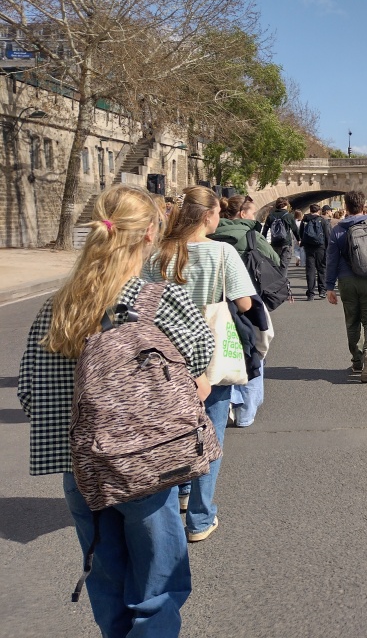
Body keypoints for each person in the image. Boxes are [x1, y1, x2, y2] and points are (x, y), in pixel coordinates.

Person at [17, 185, 214, 635]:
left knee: (106, 580)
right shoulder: (163, 302)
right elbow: (200, 374)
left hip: (81, 468)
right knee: (157, 586)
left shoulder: (57, 307)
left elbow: (30, 392)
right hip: (145, 465)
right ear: (150, 233)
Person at [145, 185, 257, 543]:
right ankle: (199, 517)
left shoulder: (158, 254)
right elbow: (243, 303)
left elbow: (143, 303)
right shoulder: (222, 252)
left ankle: (178, 491)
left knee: (174, 427)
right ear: (209, 215)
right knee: (211, 432)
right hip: (209, 354)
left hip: (165, 355)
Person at [213, 196, 279, 428]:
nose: (253, 217)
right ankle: (245, 412)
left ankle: (228, 402)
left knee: (223, 350)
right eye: (251, 213)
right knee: (253, 352)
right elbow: (274, 259)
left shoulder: (211, 234)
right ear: (242, 214)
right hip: (247, 300)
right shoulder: (250, 235)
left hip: (215, 304)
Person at [325, 189, 367, 382]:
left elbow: (331, 259)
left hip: (347, 281)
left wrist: (329, 286)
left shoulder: (337, 229)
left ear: (346, 206)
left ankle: (357, 360)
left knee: (352, 321)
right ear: (364, 206)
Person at [262, 197, 300, 276]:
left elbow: (265, 230)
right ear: (286, 205)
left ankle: (276, 281)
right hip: (286, 243)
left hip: (274, 243)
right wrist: (299, 239)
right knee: (284, 265)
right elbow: (295, 229)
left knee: (276, 263)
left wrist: (263, 240)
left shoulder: (271, 216)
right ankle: (283, 283)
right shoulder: (288, 216)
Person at [300, 203, 328, 300]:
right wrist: (328, 247)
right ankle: (322, 291)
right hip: (321, 247)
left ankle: (311, 293)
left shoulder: (305, 220)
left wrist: (303, 243)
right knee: (321, 269)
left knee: (310, 270)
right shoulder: (322, 220)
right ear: (319, 210)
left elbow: (301, 233)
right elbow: (327, 234)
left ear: (310, 210)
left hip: (308, 248)